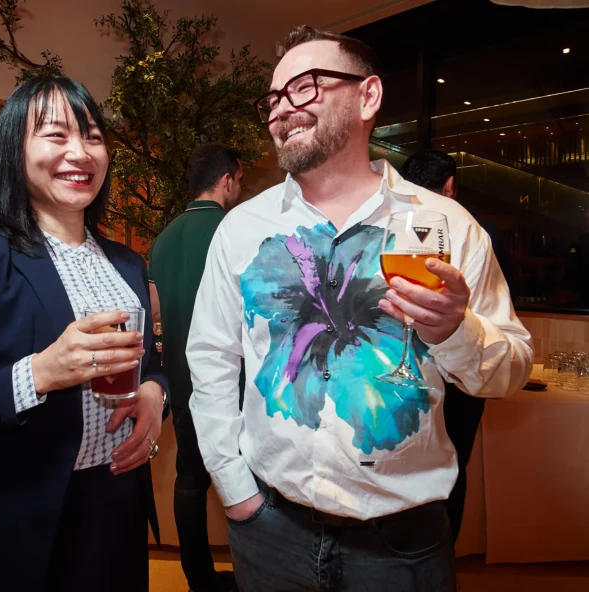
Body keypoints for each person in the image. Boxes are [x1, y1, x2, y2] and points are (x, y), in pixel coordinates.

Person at [187, 25, 532, 592]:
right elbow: (210, 359)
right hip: (272, 532)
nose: (281, 110)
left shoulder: (447, 225)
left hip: (403, 546)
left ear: (368, 96)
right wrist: (237, 492)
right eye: (273, 99)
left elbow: (511, 368)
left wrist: (454, 330)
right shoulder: (243, 229)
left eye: (305, 87)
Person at [0, 75, 169, 592]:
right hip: (20, 524)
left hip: (117, 512)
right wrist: (39, 374)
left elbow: (150, 360)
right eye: (56, 135)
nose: (80, 153)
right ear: (14, 150)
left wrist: (154, 392)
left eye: (92, 136)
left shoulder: (127, 262)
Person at [149, 143, 243, 592]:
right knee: (248, 482)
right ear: (227, 179)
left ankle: (198, 579)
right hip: (234, 385)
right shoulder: (233, 230)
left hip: (182, 383)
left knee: (190, 478)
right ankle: (254, 576)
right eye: (239, 180)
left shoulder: (164, 238)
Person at [399, 150, 482, 543]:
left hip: (449, 382)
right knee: (451, 472)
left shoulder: (399, 230)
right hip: (455, 390)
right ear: (449, 186)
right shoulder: (471, 231)